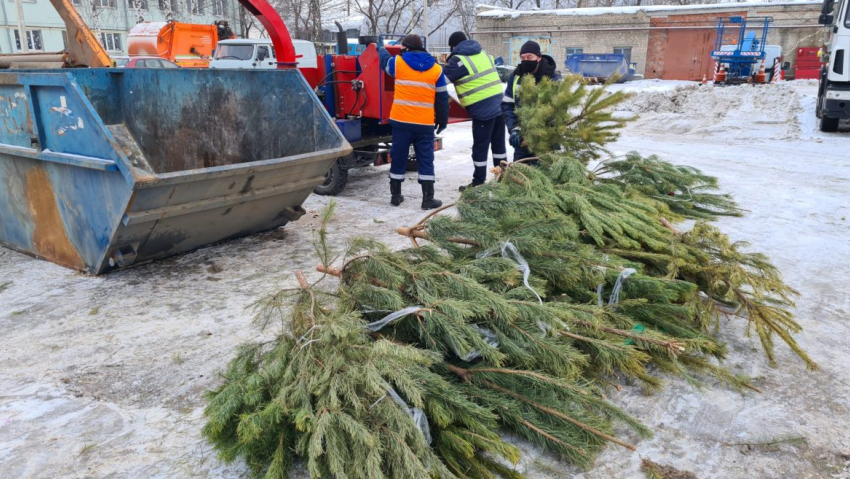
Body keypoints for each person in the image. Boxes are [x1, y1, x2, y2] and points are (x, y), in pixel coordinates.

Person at [379, 34, 449, 210]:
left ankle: (395, 196)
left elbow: (384, 62)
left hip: (401, 122)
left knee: (399, 157)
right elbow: (442, 98)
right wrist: (442, 120)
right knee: (426, 160)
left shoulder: (398, 63)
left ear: (406, 48)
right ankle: (428, 200)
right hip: (424, 125)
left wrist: (380, 48)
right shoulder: (436, 69)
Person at [443, 31, 507, 191]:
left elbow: (440, 80)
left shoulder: (459, 60)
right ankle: (504, 181)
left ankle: (478, 182)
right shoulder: (483, 54)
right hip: (500, 106)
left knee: (480, 148)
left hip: (482, 110)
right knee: (498, 146)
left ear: (454, 46)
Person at [502, 40, 560, 162]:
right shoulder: (516, 77)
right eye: (522, 57)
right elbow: (507, 105)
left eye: (530, 57)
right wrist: (514, 128)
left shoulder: (552, 78)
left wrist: (542, 133)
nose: (526, 60)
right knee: (519, 173)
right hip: (522, 137)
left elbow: (559, 110)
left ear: (538, 57)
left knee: (543, 175)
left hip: (545, 140)